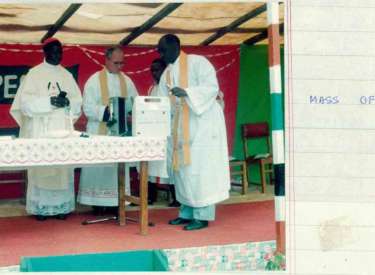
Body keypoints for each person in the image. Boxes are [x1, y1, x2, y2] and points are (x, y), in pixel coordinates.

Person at [157, 34, 230, 230]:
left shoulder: (198, 62)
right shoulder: (167, 73)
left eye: (163, 50)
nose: (161, 55)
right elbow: (162, 101)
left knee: (200, 171)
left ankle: (202, 216)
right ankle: (186, 212)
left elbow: (211, 88)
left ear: (175, 47)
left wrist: (187, 92)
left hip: (203, 124)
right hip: (181, 126)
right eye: (160, 51)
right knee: (183, 171)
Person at [10, 37, 82, 221]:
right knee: (42, 170)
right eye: (55, 52)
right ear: (46, 53)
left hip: (62, 130)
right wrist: (48, 102)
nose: (58, 55)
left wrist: (67, 103)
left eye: (61, 52)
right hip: (41, 130)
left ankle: (61, 207)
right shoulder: (34, 74)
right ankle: (41, 208)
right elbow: (25, 105)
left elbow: (77, 102)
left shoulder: (66, 76)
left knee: (61, 169)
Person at [77, 45, 138, 215]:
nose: (120, 67)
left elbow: (135, 102)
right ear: (107, 60)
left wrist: (132, 112)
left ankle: (116, 202)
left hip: (120, 133)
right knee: (99, 168)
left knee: (115, 169)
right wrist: (109, 112)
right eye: (116, 63)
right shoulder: (94, 80)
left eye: (122, 63)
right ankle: (97, 203)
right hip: (99, 131)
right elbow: (88, 107)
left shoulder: (127, 81)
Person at [147, 58, 180, 207]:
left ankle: (176, 197)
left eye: (157, 69)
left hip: (170, 131)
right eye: (152, 70)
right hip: (154, 132)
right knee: (152, 164)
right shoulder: (151, 89)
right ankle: (150, 196)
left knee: (171, 165)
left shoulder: (170, 86)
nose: (154, 73)